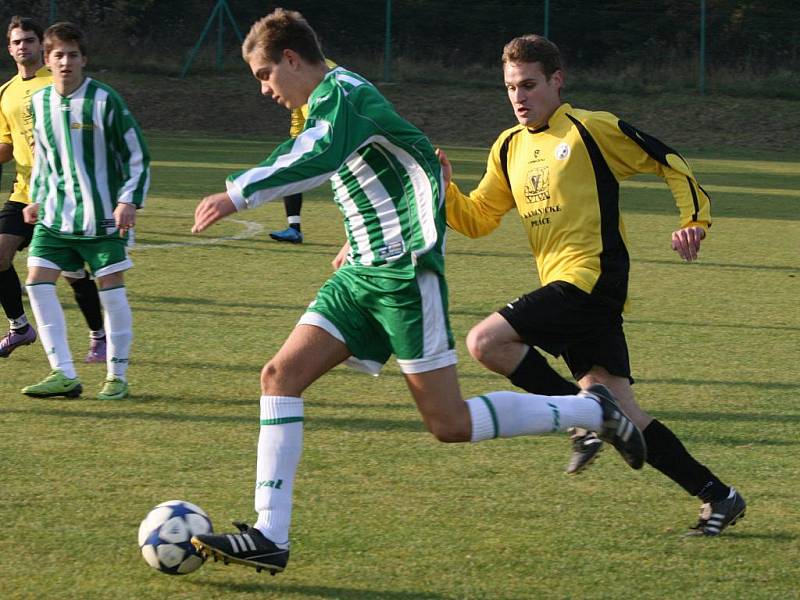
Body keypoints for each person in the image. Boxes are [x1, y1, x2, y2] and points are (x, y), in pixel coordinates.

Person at [189, 9, 646, 575]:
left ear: (289, 58)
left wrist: (237, 194)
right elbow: (392, 168)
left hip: (404, 275)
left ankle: (590, 410)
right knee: (279, 376)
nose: (263, 89)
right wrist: (357, 237)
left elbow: (324, 154)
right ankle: (269, 535)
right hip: (361, 273)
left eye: (264, 74)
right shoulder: (328, 100)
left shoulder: (343, 95)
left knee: (448, 424)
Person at [438, 34, 745, 537]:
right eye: (511, 87)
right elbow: (478, 218)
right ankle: (719, 496)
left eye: (530, 85)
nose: (519, 97)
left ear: (557, 81)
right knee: (623, 408)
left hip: (592, 278)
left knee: (485, 341)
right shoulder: (508, 146)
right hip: (567, 285)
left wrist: (694, 218)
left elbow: (668, 161)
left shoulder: (591, 129)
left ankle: (584, 419)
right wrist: (443, 187)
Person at [20, 22, 150, 400]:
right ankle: (63, 373)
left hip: (103, 218)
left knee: (111, 292)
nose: (65, 62)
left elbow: (138, 156)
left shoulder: (105, 101)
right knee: (37, 283)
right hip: (55, 217)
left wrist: (128, 200)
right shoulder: (38, 103)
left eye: (72, 55)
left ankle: (117, 376)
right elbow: (43, 160)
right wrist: (36, 197)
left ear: (84, 59)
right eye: (58, 55)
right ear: (47, 59)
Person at [0, 15, 107, 362]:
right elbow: (6, 145)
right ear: (9, 48)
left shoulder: (58, 81)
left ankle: (99, 336)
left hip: (61, 194)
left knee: (72, 272)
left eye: (29, 40)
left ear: (41, 47)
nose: (23, 47)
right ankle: (19, 327)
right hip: (23, 193)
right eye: (16, 41)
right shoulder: (5, 92)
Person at [269, 57, 337, 244]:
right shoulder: (297, 74)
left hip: (338, 138)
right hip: (313, 138)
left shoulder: (330, 72)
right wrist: (296, 140)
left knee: (350, 187)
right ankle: (294, 229)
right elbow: (297, 111)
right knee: (289, 171)